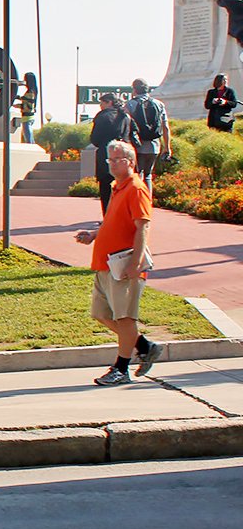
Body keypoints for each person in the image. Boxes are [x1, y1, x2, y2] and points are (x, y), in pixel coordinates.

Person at [74, 140, 163, 386]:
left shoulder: (135, 188)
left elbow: (142, 225)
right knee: (101, 314)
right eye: (109, 160)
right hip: (105, 264)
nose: (111, 164)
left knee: (125, 318)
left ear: (130, 162)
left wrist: (135, 262)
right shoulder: (117, 187)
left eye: (116, 160)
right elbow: (113, 221)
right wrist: (94, 235)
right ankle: (144, 346)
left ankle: (121, 369)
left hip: (123, 265)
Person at [89, 94, 135, 213]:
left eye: (102, 103)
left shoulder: (102, 116)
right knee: (123, 188)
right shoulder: (125, 116)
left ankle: (108, 217)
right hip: (123, 156)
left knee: (105, 188)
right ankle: (122, 215)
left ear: (109, 102)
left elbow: (94, 139)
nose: (100, 106)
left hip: (106, 156)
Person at [125, 78, 171, 191]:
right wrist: (167, 147)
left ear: (134, 90)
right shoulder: (159, 104)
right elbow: (165, 127)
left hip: (138, 145)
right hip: (154, 145)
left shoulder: (130, 104)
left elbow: (126, 125)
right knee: (148, 175)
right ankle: (148, 201)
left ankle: (139, 201)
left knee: (138, 174)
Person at [18, 72, 39, 144]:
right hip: (28, 117)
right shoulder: (33, 92)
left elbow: (27, 105)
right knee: (28, 135)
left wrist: (19, 100)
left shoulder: (30, 93)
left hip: (27, 117)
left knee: (28, 137)